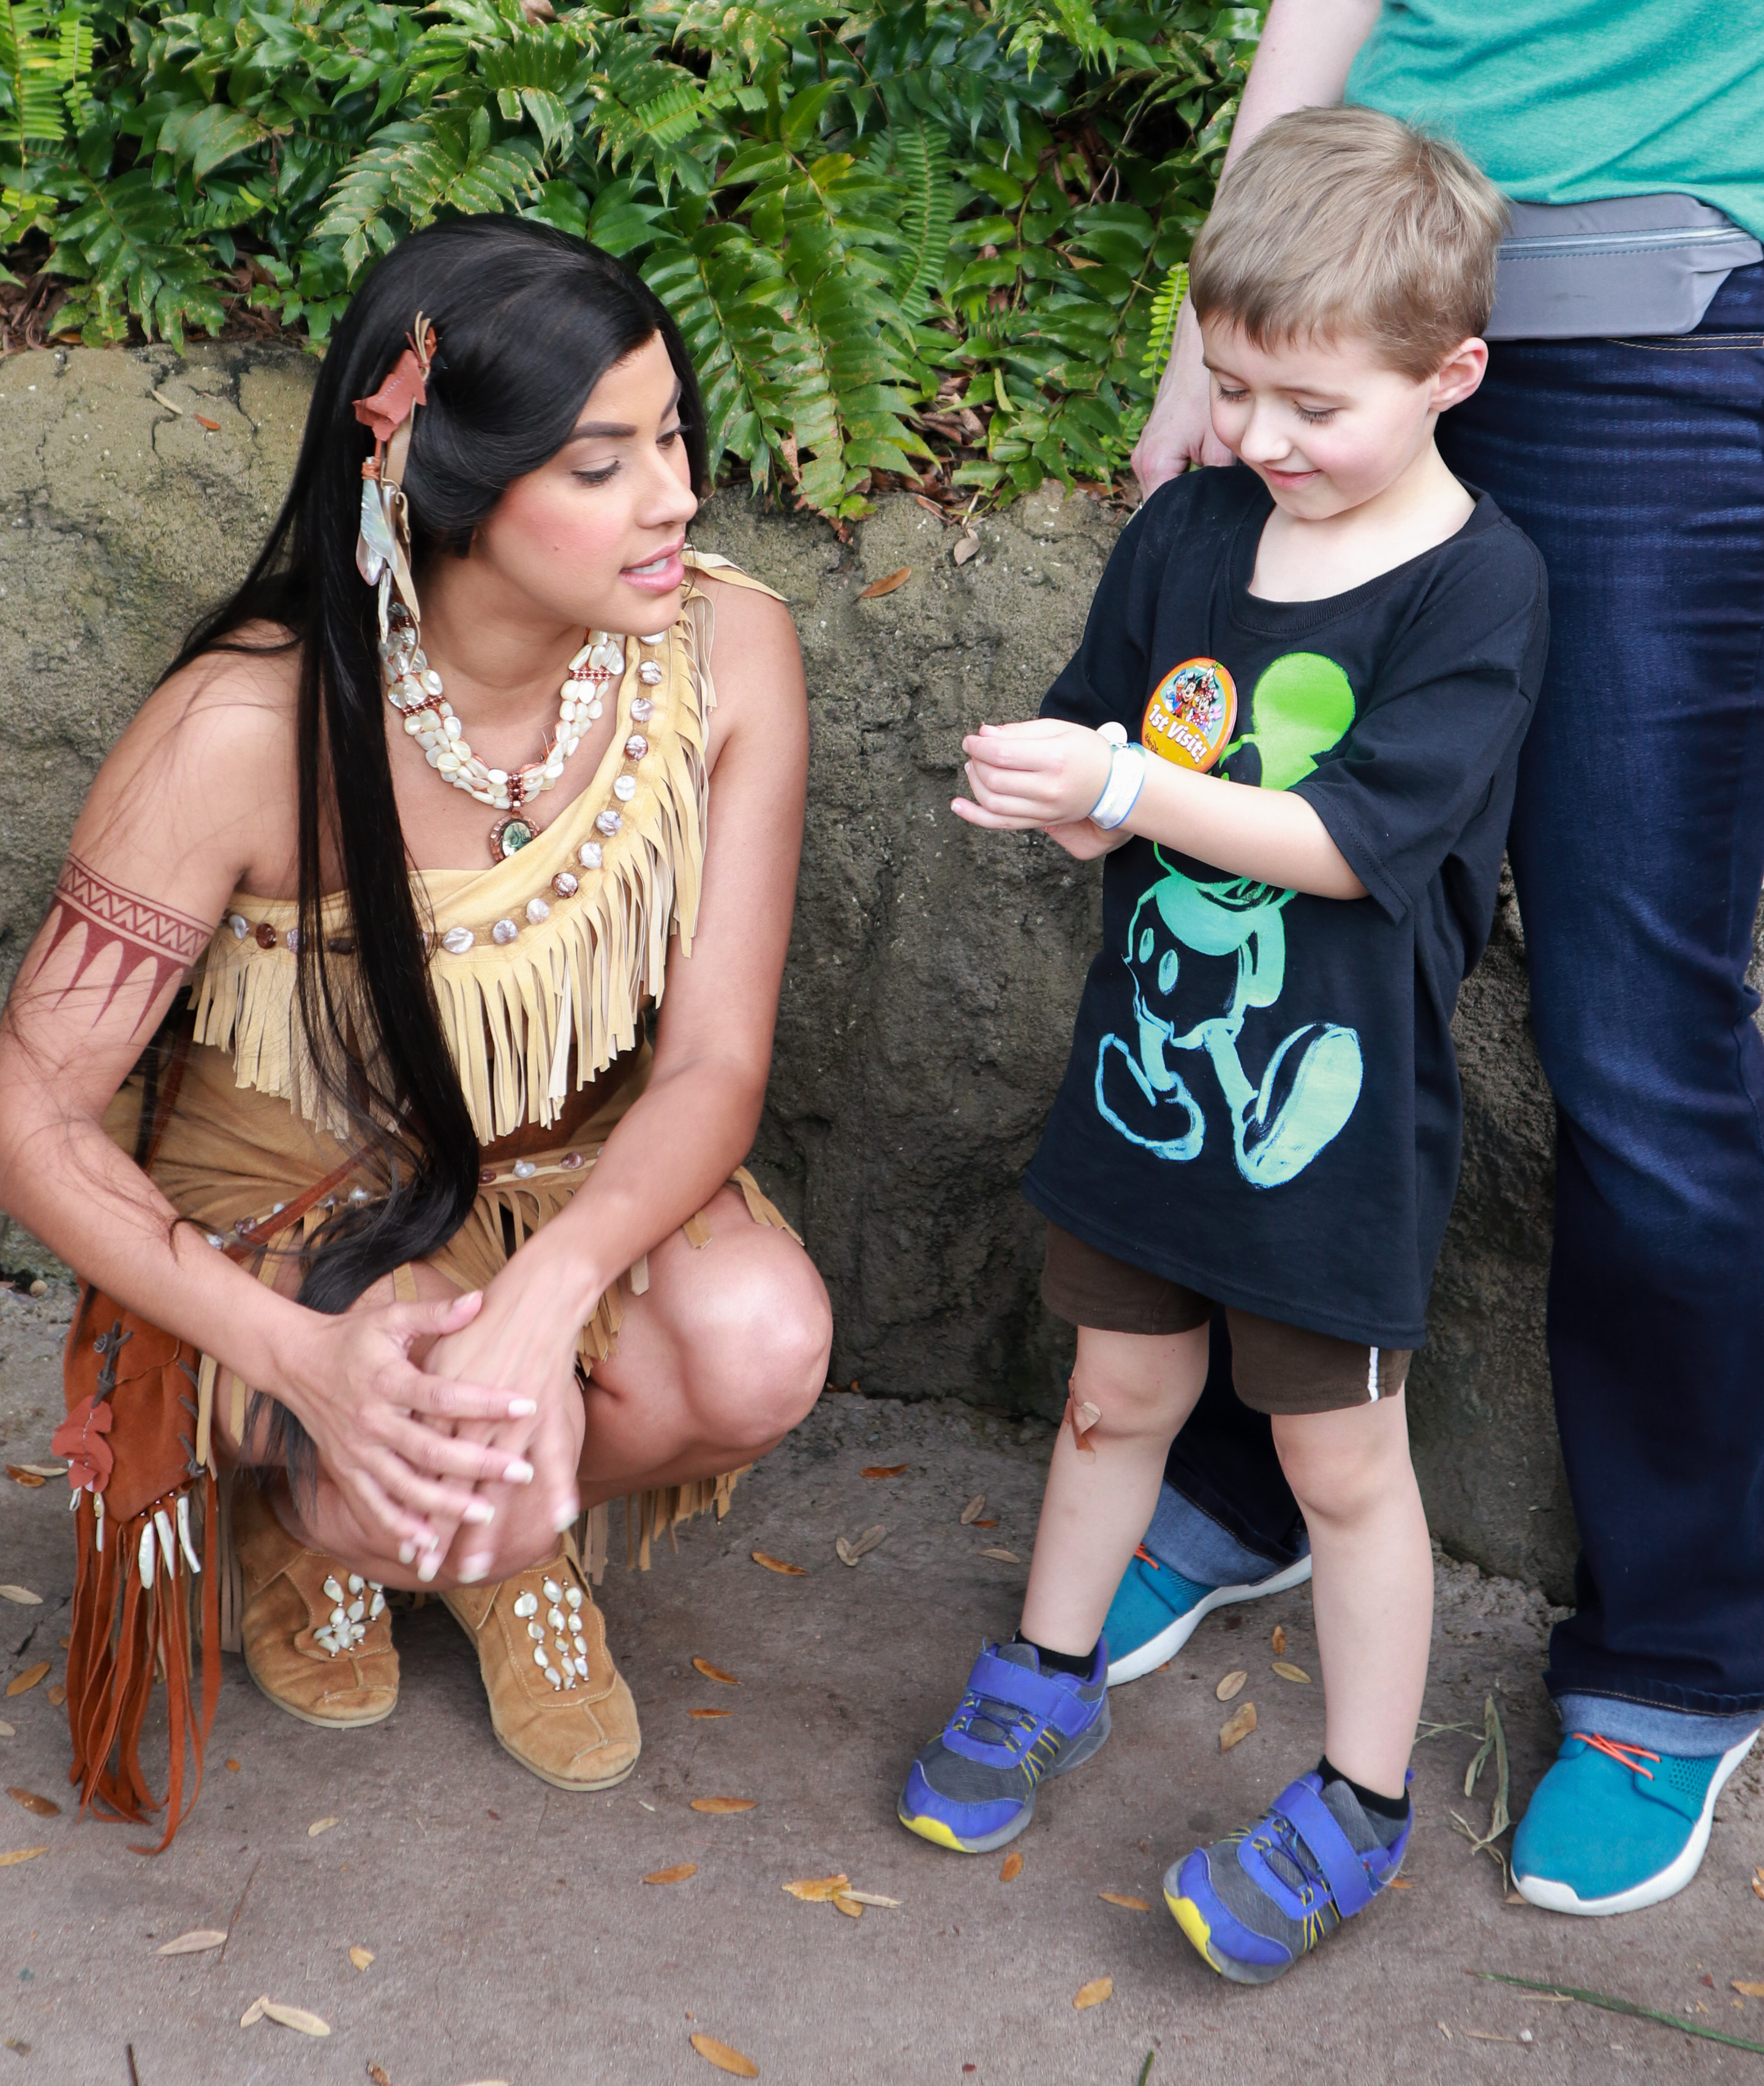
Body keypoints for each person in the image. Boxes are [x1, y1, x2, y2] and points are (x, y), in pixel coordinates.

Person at [0, 217, 831, 1813]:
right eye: (601, 465)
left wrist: (550, 1295)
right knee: (451, 1454)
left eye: (672, 436)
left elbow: (719, 1060)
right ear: (433, 486)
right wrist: (302, 1362)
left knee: (758, 1345)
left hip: (561, 1176)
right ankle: (320, 1523)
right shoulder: (245, 729)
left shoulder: (729, 656)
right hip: (298, 1206)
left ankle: (499, 1535)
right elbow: (31, 1111)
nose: (675, 495)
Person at [1120, 0, 1764, 1920]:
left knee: (1639, 1043)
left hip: (1674, 338)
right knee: (1279, 951)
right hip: (1346, 314)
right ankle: (1262, 1472)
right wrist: (1206, 369)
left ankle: (1681, 1651)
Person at [896, 109, 1547, 1984]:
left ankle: (1357, 1799)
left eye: (1309, 407)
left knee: (1345, 1470)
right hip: (1144, 1089)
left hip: (1327, 1134)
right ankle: (1046, 1670)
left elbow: (1353, 840)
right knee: (1111, 1397)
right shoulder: (1192, 528)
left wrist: (1127, 786)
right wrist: (1066, 798)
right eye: (1233, 384)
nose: (1258, 440)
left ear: (1452, 378)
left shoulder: (1475, 589)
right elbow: (1118, 741)